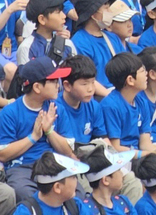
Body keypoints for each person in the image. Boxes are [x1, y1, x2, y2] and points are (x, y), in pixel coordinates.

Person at [0, 57, 77, 200]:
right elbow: (3, 154)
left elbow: (68, 151)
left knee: (75, 193)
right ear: (36, 87)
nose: (58, 85)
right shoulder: (10, 112)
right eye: (53, 81)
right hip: (23, 167)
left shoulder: (57, 108)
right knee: (28, 195)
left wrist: (49, 131)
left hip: (54, 164)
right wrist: (33, 137)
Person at [70, 0, 122, 96]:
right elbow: (87, 76)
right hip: (99, 96)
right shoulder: (79, 42)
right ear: (93, 15)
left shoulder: (112, 37)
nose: (110, 12)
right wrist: (111, 97)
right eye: (106, 9)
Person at [12, 152, 87, 215]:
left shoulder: (76, 205)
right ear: (57, 187)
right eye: (73, 176)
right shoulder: (25, 212)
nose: (76, 180)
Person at [56, 55, 106, 146]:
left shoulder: (94, 107)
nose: (91, 89)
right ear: (67, 86)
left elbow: (102, 139)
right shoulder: (54, 108)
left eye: (93, 82)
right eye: (84, 84)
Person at [18, 0, 77, 66]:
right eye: (58, 12)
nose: (64, 16)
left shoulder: (67, 44)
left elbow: (76, 74)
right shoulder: (27, 47)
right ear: (42, 19)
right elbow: (25, 76)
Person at [80, 146, 136, 215]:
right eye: (118, 170)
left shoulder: (124, 202)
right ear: (105, 180)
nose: (122, 174)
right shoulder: (85, 210)